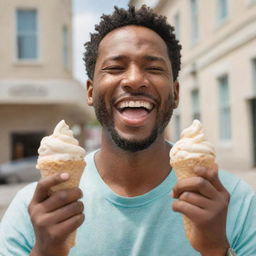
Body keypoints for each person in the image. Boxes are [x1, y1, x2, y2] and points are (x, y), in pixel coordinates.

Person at [0, 5, 255, 256]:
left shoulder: (236, 203)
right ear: (91, 92)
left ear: (175, 93)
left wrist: (216, 250)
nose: (134, 80)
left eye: (154, 68)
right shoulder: (31, 212)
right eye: (115, 68)